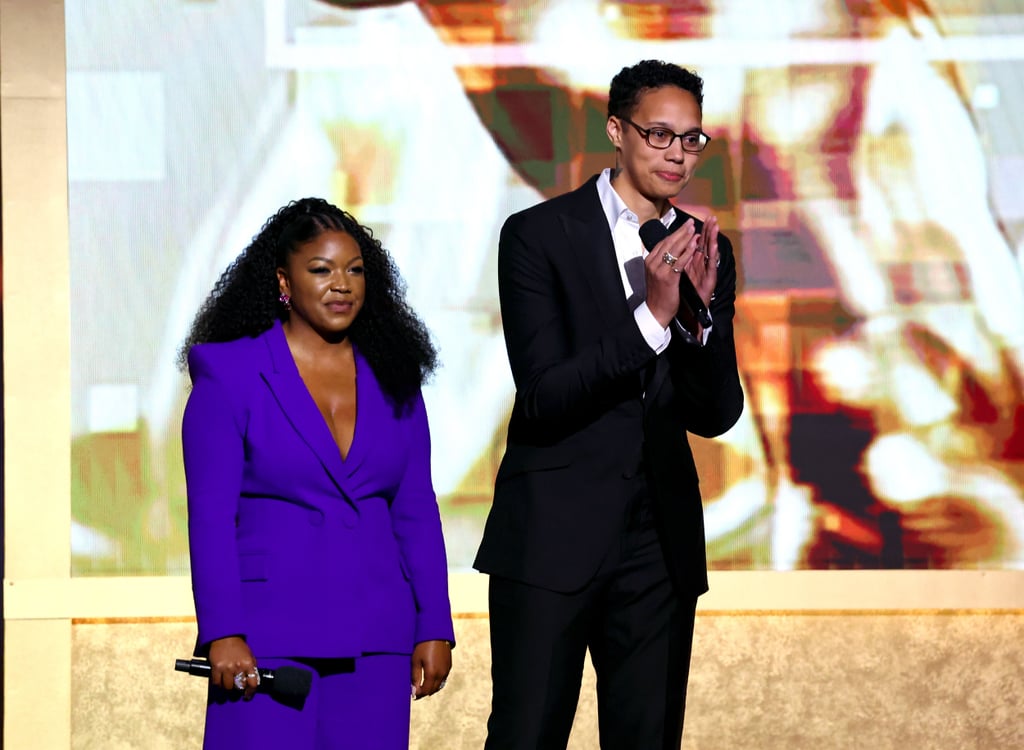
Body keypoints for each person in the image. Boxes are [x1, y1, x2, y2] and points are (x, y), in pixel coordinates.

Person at [474, 60, 745, 749]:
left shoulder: (705, 246)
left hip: (658, 546)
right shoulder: (538, 236)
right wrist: (652, 320)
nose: (677, 154)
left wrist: (700, 318)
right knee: (526, 736)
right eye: (659, 135)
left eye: (691, 140)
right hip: (550, 541)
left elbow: (714, 414)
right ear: (617, 132)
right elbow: (543, 397)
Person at [179, 197, 454, 748]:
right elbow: (211, 519)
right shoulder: (232, 377)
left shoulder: (395, 379)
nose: (342, 284)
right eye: (321, 270)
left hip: (377, 638)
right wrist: (223, 632)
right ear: (284, 281)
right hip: (267, 638)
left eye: (355, 270)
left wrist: (434, 624)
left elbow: (416, 511)